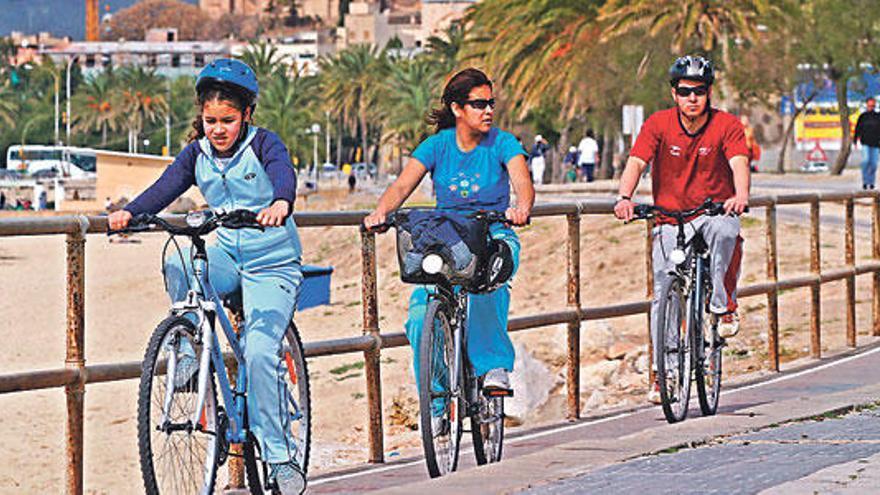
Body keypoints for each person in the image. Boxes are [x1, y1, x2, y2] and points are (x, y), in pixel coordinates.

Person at [106, 59, 306, 494]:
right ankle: (189, 347)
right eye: (210, 120)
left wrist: (281, 204)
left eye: (228, 121)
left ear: (247, 115)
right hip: (227, 253)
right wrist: (131, 212)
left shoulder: (266, 145)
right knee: (178, 260)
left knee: (257, 352)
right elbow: (166, 186)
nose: (218, 129)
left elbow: (283, 176)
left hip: (271, 261)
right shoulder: (196, 153)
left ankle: (280, 457)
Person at [363, 68, 533, 407]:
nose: (488, 111)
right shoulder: (437, 146)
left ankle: (492, 366)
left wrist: (521, 208)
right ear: (457, 109)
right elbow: (401, 185)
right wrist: (380, 212)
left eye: (491, 103)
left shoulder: (503, 142)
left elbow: (522, 182)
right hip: (449, 237)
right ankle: (438, 400)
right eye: (478, 104)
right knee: (418, 316)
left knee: (488, 278)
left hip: (492, 231)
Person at [613, 55, 750, 403]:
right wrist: (624, 197)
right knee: (664, 290)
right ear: (674, 93)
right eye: (686, 91)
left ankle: (721, 302)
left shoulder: (727, 125)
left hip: (713, 210)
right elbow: (636, 162)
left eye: (700, 91)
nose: (693, 98)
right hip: (670, 217)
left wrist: (740, 196)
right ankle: (663, 374)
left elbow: (739, 163)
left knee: (726, 231)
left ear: (709, 93)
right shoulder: (658, 124)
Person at [854, 97, 880, 190]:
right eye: (869, 105)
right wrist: (855, 140)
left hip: (876, 144)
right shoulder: (863, 116)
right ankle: (865, 182)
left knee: (873, 164)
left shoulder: (878, 116)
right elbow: (857, 129)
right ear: (866, 105)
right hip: (865, 143)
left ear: (875, 106)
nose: (871, 107)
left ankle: (871, 182)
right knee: (865, 161)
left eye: (873, 105)